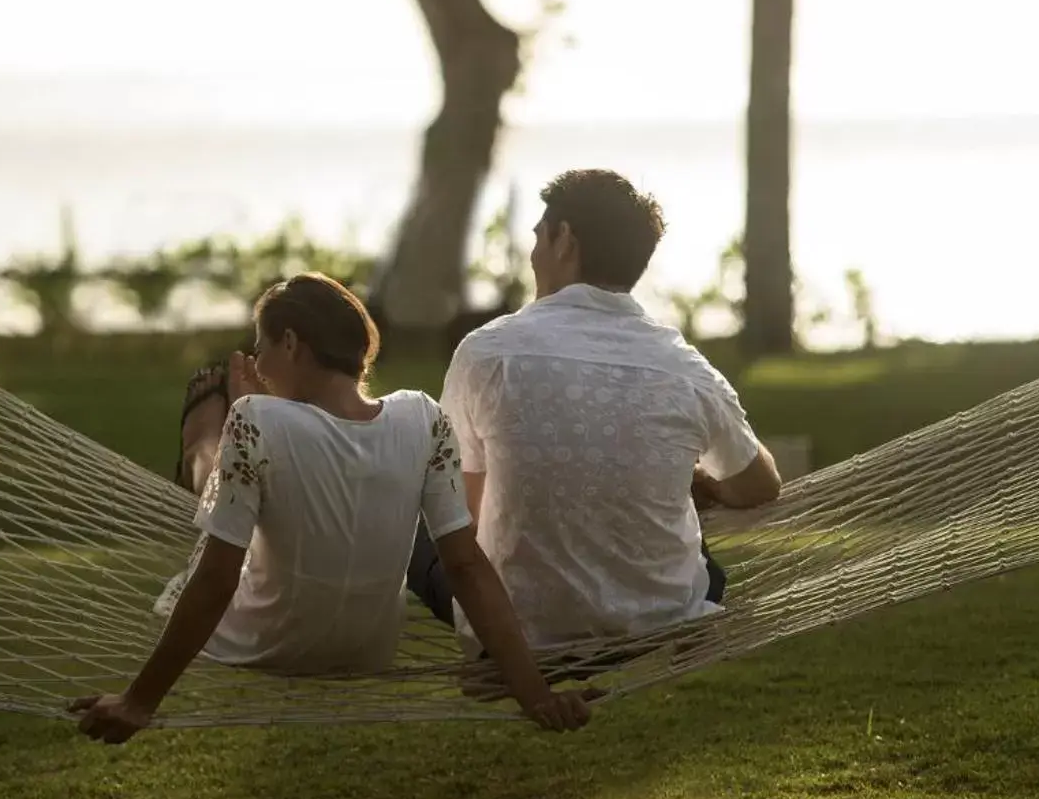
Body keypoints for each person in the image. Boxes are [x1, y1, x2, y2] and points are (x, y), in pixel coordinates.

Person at [71, 273, 591, 742]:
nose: (258, 365)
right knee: (275, 456)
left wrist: (139, 701)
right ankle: (214, 455)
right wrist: (537, 695)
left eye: (261, 348)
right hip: (366, 646)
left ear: (292, 342)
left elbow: (214, 581)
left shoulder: (255, 418)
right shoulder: (424, 417)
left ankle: (204, 450)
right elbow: (466, 566)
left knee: (237, 473)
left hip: (265, 637)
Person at [409, 169, 783, 659]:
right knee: (683, 526)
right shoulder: (685, 367)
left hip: (522, 629)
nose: (534, 251)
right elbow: (760, 483)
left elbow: (464, 518)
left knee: (423, 528)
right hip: (661, 617)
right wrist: (703, 484)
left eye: (539, 235)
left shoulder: (488, 354)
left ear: (564, 240)